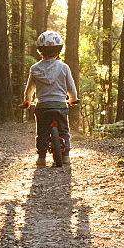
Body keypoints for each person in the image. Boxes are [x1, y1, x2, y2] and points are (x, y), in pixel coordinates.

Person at [19, 31, 78, 167]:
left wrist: (27, 100)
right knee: (64, 130)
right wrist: (73, 99)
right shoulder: (64, 67)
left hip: (43, 105)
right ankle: (66, 156)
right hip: (60, 105)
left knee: (42, 132)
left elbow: (29, 89)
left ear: (40, 50)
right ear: (59, 50)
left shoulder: (35, 69)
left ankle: (41, 158)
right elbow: (71, 87)